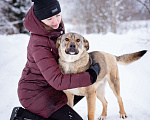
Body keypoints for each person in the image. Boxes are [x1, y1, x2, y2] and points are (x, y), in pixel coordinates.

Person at [10, 0, 100, 120]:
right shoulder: (38, 44)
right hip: (35, 94)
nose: (55, 21)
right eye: (49, 19)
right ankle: (23, 116)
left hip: (50, 87)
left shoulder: (53, 30)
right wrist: (90, 76)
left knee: (80, 89)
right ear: (39, 19)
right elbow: (58, 81)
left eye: (58, 16)